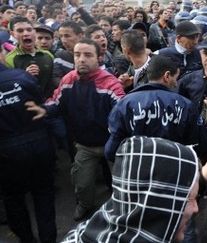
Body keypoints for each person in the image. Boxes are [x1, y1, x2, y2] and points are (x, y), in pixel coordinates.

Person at [62, 120, 207, 243]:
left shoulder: (111, 222)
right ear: (158, 204)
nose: (196, 206)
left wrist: (201, 176)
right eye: (187, 198)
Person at [25, 38, 125, 222]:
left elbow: (122, 111)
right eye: (77, 55)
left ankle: (121, 212)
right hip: (85, 146)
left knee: (120, 184)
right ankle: (85, 206)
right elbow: (56, 101)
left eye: (88, 55)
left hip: (112, 145)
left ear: (99, 58)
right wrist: (44, 109)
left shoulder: (110, 84)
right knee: (82, 184)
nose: (81, 59)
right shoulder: (68, 79)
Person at [0, 31, 57, 243]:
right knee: (43, 195)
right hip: (38, 146)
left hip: (7, 153)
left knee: (14, 200)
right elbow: (40, 107)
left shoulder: (21, 75)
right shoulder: (21, 77)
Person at [105, 55, 207, 162]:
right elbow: (201, 146)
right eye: (176, 78)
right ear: (167, 76)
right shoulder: (186, 106)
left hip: (134, 172)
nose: (176, 84)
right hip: (173, 172)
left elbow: (111, 151)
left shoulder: (124, 104)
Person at [5, 16, 55, 99]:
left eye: (29, 29)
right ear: (13, 34)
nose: (26, 33)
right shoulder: (9, 59)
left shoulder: (48, 55)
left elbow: (53, 81)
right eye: (20, 31)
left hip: (49, 105)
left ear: (34, 32)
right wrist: (25, 76)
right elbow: (8, 88)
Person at [53, 21, 83, 87]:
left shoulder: (92, 55)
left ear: (80, 36)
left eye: (67, 36)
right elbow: (55, 78)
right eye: (61, 36)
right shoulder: (59, 56)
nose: (63, 40)